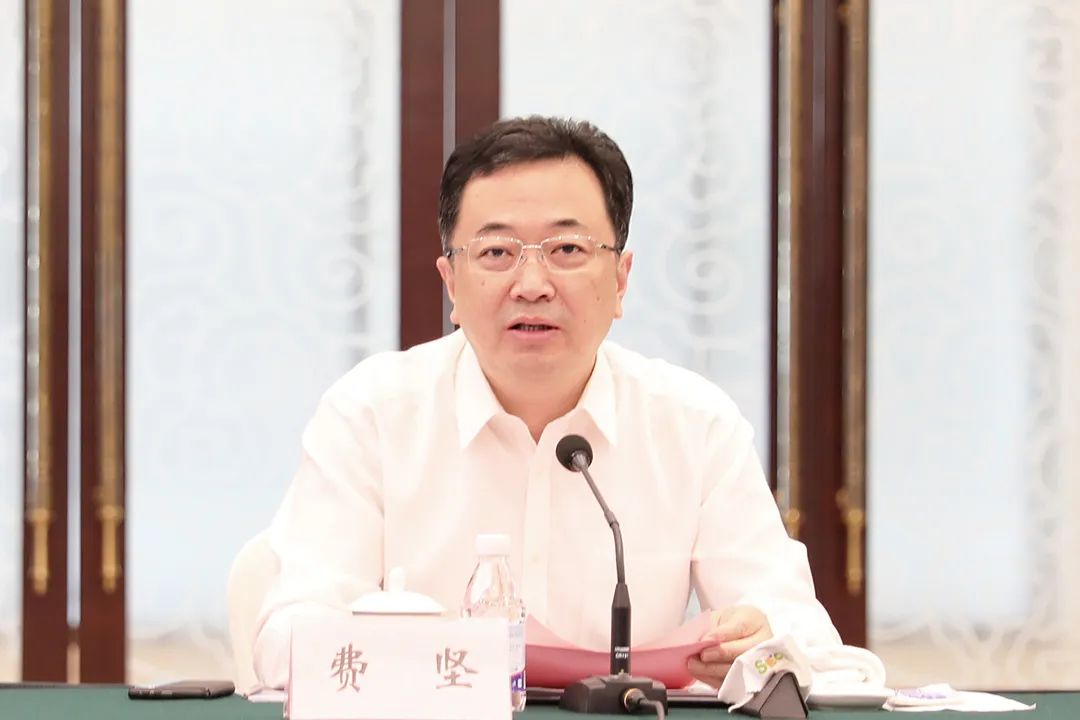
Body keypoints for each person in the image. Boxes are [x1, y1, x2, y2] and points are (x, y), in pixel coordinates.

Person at [252, 116, 841, 690]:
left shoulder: (695, 425)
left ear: (621, 279)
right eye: (496, 253)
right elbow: (288, 642)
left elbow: (806, 642)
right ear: (451, 282)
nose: (532, 284)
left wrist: (759, 644)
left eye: (566, 249)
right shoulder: (370, 415)